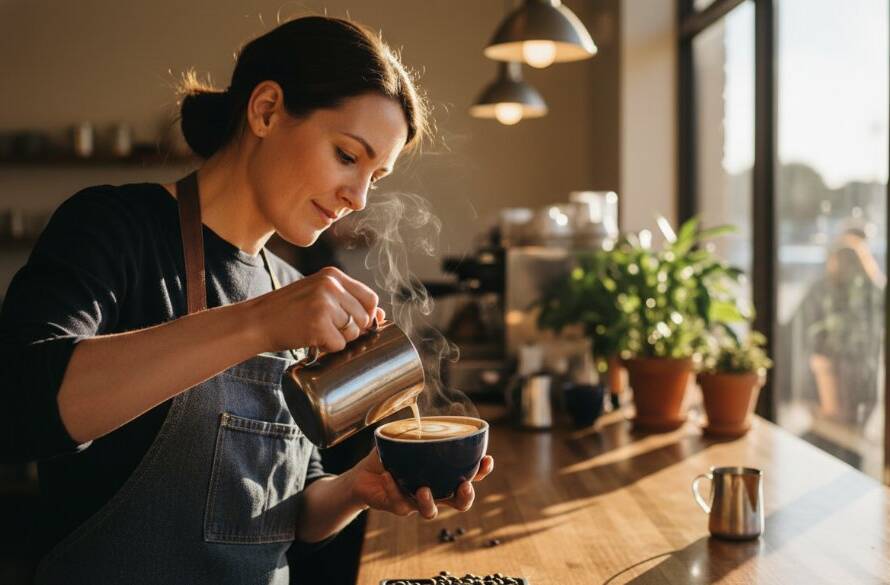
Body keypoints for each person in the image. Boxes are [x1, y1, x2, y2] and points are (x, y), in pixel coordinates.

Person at [0, 16, 493, 585]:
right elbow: (19, 408)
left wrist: (355, 489)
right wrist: (256, 324)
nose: (357, 197)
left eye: (376, 177)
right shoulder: (115, 228)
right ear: (265, 111)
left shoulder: (289, 286)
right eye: (346, 155)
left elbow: (282, 515)